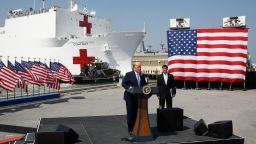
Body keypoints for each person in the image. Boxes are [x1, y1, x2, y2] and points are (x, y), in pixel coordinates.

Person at [121, 62, 147, 135]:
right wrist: (130, 88)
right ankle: (130, 129)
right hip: (129, 97)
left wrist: (146, 88)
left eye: (140, 67)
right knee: (130, 114)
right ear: (134, 67)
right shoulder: (129, 74)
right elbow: (124, 83)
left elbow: (144, 84)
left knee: (136, 113)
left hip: (138, 97)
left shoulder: (142, 75)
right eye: (138, 67)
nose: (140, 68)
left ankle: (136, 127)